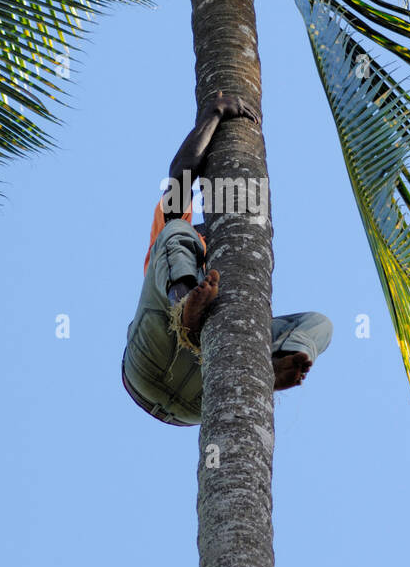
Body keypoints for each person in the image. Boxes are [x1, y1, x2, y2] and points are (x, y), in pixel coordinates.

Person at [121, 91, 333, 425]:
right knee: (175, 229)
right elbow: (180, 178)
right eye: (203, 234)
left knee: (319, 323)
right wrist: (214, 113)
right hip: (153, 356)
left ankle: (268, 368)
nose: (202, 236)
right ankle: (184, 307)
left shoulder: (225, 287)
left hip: (203, 391)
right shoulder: (177, 243)